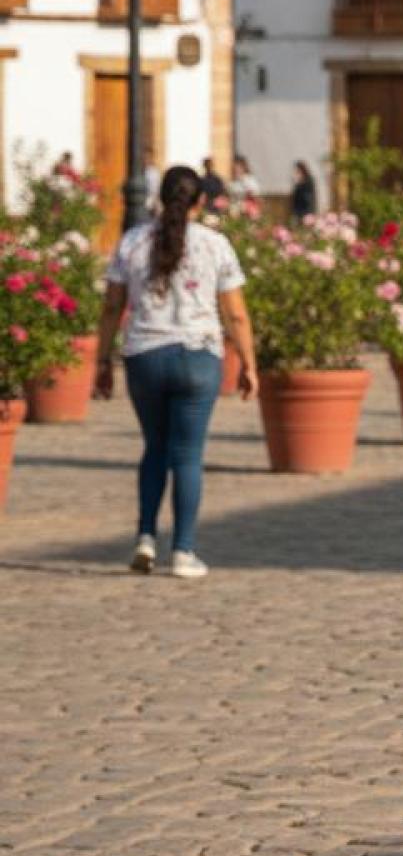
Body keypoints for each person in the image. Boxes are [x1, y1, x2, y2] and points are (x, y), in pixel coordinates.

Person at [92, 166, 257, 578]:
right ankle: (183, 550)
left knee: (155, 448)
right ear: (201, 201)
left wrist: (101, 360)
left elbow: (112, 306)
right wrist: (249, 363)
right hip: (198, 355)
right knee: (187, 455)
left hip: (145, 354)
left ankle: (145, 537)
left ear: (159, 199)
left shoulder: (132, 242)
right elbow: (235, 313)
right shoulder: (215, 245)